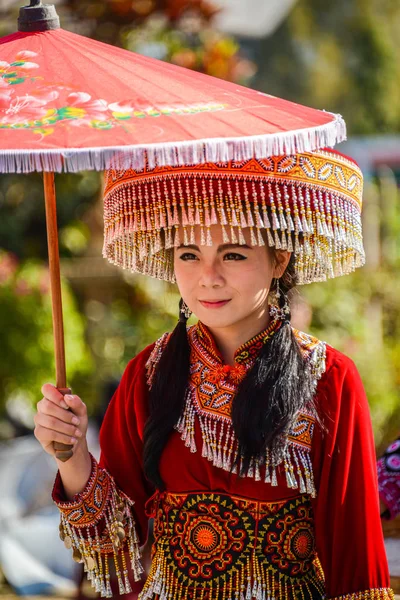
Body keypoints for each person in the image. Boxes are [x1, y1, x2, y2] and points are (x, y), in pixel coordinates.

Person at [34, 150, 394, 600]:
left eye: (234, 255)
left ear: (279, 259)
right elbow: (117, 561)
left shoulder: (328, 378)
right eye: (189, 254)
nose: (208, 277)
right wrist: (70, 458)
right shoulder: (146, 375)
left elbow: (355, 561)